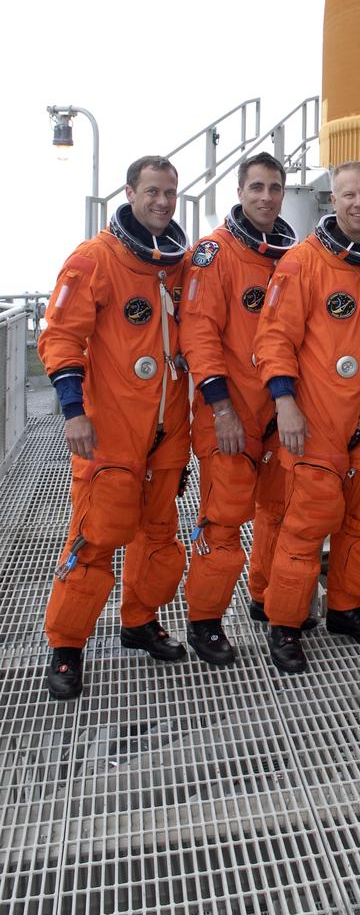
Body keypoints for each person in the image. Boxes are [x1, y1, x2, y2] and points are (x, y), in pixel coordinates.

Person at [39, 156, 190, 700]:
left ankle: (140, 621)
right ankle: (66, 647)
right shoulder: (94, 259)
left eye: (170, 193)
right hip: (111, 428)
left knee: (159, 534)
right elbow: (60, 337)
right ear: (129, 193)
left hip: (167, 425)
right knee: (96, 537)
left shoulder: (176, 263)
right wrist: (72, 409)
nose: (162, 202)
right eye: (152, 191)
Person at [253, 161, 360, 674]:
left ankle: (345, 609)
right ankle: (285, 625)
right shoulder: (301, 263)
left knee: (358, 525)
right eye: (349, 194)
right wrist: (285, 403)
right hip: (315, 422)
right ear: (332, 199)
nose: (359, 203)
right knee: (306, 527)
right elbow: (273, 341)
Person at [178, 152, 298, 666]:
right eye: (256, 188)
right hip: (230, 411)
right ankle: (204, 621)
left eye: (274, 188)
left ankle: (265, 597)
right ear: (239, 191)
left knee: (280, 511)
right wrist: (221, 407)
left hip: (282, 411)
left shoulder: (294, 257)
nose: (266, 197)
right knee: (224, 520)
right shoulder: (214, 253)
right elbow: (198, 334)